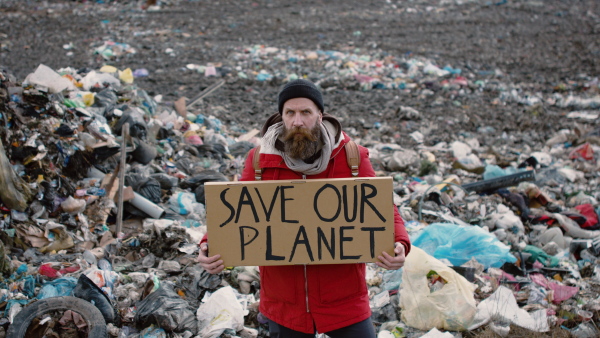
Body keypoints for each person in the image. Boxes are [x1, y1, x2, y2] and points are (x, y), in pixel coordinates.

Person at [197, 79, 411, 338]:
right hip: (285, 304)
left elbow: (382, 207)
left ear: (319, 115)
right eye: (290, 113)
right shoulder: (259, 160)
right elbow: (237, 213)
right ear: (282, 116)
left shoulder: (352, 157)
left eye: (306, 112)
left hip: (344, 301)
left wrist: (399, 242)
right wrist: (210, 245)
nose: (297, 121)